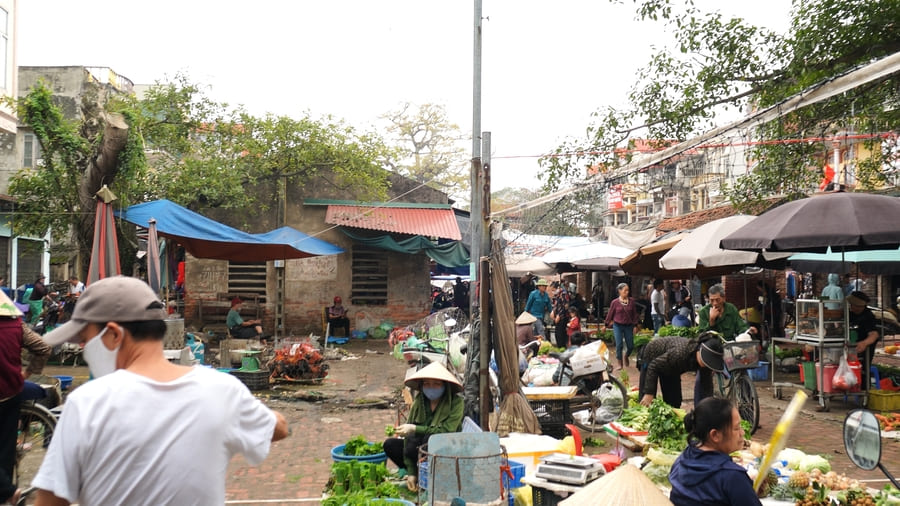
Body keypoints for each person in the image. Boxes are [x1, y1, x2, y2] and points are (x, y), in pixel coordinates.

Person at [31, 276, 289, 505]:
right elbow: (279, 428)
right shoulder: (223, 391)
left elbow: (50, 501)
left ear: (113, 334)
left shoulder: (86, 403)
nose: (84, 348)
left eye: (85, 339)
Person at [0, 291, 51, 505]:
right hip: (11, 392)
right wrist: (27, 373)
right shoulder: (17, 326)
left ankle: (7, 490)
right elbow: (44, 348)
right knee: (5, 447)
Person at [384, 362, 464, 491]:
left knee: (430, 438)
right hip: (419, 449)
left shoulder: (456, 403)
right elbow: (409, 439)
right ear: (422, 386)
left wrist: (415, 429)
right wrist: (411, 473)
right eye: (427, 384)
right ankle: (416, 473)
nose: (431, 387)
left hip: (447, 450)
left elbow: (446, 430)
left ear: (445, 386)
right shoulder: (419, 402)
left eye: (436, 384)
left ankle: (432, 477)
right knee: (390, 445)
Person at [668, 397, 762, 506]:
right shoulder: (732, 476)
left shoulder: (682, 459)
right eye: (736, 428)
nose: (742, 432)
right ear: (715, 435)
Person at [638, 332, 725, 408]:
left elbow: (706, 387)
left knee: (674, 402)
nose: (707, 365)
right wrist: (649, 393)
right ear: (699, 351)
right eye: (707, 361)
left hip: (672, 367)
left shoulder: (704, 365)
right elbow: (654, 365)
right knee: (646, 402)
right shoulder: (679, 354)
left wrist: (708, 406)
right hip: (651, 358)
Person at [848, 291, 880, 388]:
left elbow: (874, 334)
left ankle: (864, 391)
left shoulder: (868, 316)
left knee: (863, 369)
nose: (853, 308)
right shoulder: (849, 313)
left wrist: (864, 343)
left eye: (857, 306)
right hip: (850, 345)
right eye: (853, 305)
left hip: (865, 347)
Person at [605, 283, 640, 370]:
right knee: (619, 344)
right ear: (619, 291)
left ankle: (626, 356)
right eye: (625, 290)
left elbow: (634, 314)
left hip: (628, 326)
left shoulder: (631, 301)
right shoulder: (615, 302)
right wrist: (606, 324)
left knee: (631, 345)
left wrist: (636, 325)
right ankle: (620, 364)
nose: (627, 292)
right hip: (617, 325)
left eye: (628, 290)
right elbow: (610, 314)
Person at [550, 281, 571, 348]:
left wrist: (559, 315)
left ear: (558, 288)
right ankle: (560, 348)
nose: (553, 291)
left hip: (563, 317)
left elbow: (566, 306)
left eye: (553, 290)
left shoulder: (564, 293)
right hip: (557, 317)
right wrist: (553, 312)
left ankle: (562, 349)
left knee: (560, 335)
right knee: (557, 334)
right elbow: (556, 305)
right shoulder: (557, 295)